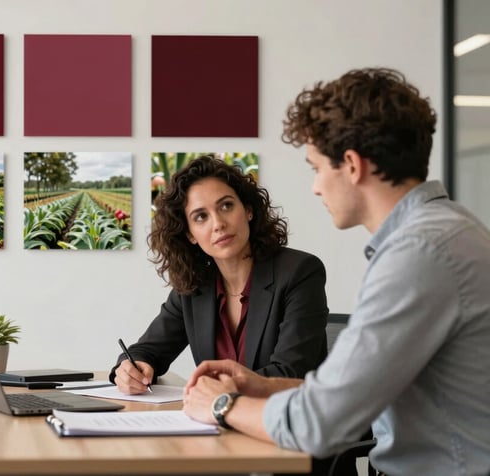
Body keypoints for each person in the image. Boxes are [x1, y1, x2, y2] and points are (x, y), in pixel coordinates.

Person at [183, 67, 490, 476]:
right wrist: (263, 386)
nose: (315, 187)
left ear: (351, 165)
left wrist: (223, 406)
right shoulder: (443, 232)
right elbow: (349, 392)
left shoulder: (420, 253)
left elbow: (320, 424)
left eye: (316, 167)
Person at [110, 155, 329, 393]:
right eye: (201, 216)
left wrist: (218, 389)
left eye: (226, 206)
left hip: (294, 425)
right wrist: (132, 367)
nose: (218, 224)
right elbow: (147, 350)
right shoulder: (194, 286)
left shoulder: (299, 272)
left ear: (248, 210)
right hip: (224, 424)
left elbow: (290, 375)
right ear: (190, 234)